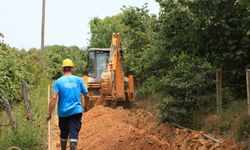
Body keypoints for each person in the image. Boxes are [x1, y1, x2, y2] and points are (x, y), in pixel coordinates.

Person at [47, 58, 89, 150]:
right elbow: (87, 95)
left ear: (63, 69)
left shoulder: (58, 82)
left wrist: (49, 113)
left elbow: (54, 98)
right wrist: (86, 106)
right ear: (72, 69)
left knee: (64, 133)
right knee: (73, 133)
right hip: (76, 111)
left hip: (63, 113)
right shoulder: (79, 80)